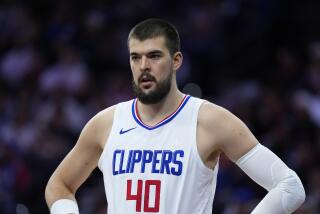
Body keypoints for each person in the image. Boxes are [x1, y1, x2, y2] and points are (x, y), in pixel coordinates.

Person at [45, 18, 306, 214]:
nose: (144, 66)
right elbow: (59, 185)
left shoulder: (210, 121)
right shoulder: (105, 124)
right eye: (135, 58)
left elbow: (290, 186)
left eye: (154, 56)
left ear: (177, 60)